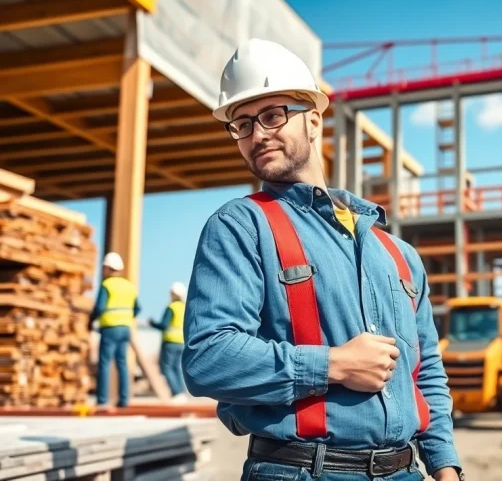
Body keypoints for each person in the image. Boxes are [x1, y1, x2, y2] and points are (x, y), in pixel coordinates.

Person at [182, 39, 463, 481]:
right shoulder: (241, 226)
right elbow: (208, 357)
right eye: (241, 124)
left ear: (313, 120)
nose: (257, 134)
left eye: (273, 115)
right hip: (300, 469)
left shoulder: (398, 255)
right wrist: (334, 364)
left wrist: (445, 463)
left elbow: (425, 369)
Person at [89, 252, 140, 408]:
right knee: (122, 363)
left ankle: (102, 400)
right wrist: (126, 319)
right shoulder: (129, 285)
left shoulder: (107, 285)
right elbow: (137, 308)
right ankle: (124, 400)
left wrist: (90, 321)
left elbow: (99, 307)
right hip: (125, 328)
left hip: (110, 328)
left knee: (104, 363)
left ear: (107, 268)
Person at [148, 282, 188, 402]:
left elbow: (164, 325)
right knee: (176, 368)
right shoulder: (185, 307)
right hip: (181, 342)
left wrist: (152, 323)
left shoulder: (172, 307)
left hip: (170, 341)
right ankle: (181, 392)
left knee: (166, 368)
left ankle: (176, 393)